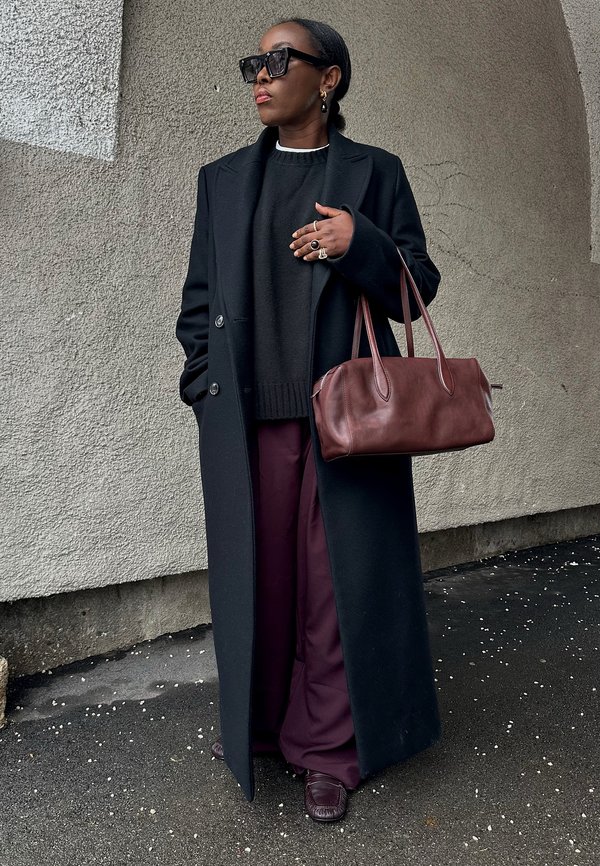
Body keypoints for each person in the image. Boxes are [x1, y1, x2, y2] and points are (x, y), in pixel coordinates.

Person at [175, 18, 442, 823]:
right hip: (248, 421)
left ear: (328, 80)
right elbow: (199, 303)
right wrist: (202, 383)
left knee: (336, 592)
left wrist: (360, 241)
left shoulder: (374, 173)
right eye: (255, 61)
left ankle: (330, 751)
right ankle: (257, 728)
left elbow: (415, 289)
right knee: (260, 582)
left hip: (346, 419)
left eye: (280, 60)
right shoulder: (222, 180)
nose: (262, 73)